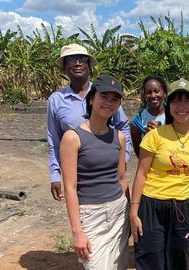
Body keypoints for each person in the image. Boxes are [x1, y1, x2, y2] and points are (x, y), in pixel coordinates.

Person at [129, 78, 189, 270]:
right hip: (151, 206)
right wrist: (134, 212)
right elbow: (141, 174)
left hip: (182, 208)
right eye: (176, 100)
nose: (182, 106)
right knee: (150, 261)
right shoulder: (155, 135)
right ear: (169, 105)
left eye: (187, 100)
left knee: (178, 260)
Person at [60, 75, 130, 269]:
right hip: (91, 215)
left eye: (115, 99)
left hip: (119, 211)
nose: (109, 102)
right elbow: (70, 187)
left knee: (119, 266)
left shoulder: (120, 137)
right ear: (92, 99)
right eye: (104, 96)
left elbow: (122, 179)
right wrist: (77, 232)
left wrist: (130, 214)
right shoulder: (72, 138)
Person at [47, 43, 131, 201]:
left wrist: (123, 158)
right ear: (64, 67)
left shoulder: (104, 93)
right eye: (71, 59)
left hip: (107, 166)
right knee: (82, 211)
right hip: (78, 170)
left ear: (89, 65)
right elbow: (54, 140)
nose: (77, 63)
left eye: (81, 59)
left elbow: (123, 126)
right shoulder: (56, 100)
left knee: (113, 204)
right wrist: (55, 175)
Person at [130, 75, 168, 157]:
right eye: (149, 92)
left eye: (157, 91)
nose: (153, 95)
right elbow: (139, 155)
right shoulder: (137, 122)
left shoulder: (173, 116)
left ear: (164, 93)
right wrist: (150, 138)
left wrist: (162, 132)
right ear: (144, 95)